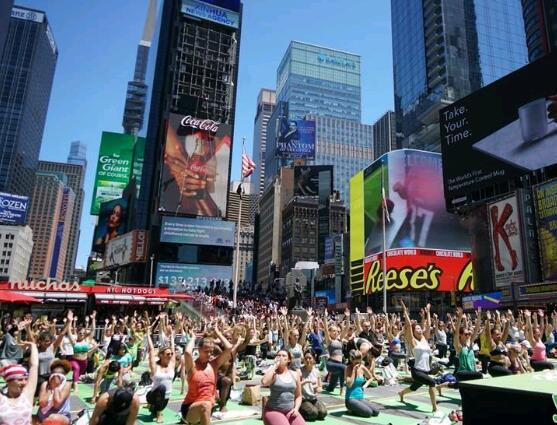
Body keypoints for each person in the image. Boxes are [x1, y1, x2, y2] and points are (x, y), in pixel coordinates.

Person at [181, 322, 233, 425]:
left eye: (211, 351)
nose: (209, 354)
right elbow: (187, 352)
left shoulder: (214, 365)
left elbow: (229, 348)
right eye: (206, 351)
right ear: (199, 350)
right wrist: (193, 337)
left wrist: (218, 333)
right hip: (191, 408)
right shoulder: (192, 366)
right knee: (205, 405)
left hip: (208, 407)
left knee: (207, 405)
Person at [398, 301, 440, 412]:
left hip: (425, 371)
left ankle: (401, 393)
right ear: (413, 331)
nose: (420, 329)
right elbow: (408, 325)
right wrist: (405, 311)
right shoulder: (413, 341)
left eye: (420, 328)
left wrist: (428, 312)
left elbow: (428, 325)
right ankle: (434, 407)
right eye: (417, 328)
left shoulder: (424, 339)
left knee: (414, 387)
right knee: (432, 382)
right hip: (417, 371)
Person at [261, 350, 305, 425]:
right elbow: (264, 382)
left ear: (289, 360)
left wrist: (296, 408)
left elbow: (298, 396)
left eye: (283, 356)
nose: (280, 357)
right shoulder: (273, 373)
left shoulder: (295, 374)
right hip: (273, 410)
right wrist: (275, 366)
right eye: (278, 355)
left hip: (290, 410)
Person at [0, 342, 37, 425]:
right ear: (9, 381)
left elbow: (34, 366)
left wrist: (33, 346)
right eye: (20, 379)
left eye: (25, 379)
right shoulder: (1, 399)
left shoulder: (27, 395)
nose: (24, 383)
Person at [146, 326, 175, 423]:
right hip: (152, 396)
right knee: (162, 388)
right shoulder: (155, 367)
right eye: (168, 354)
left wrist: (171, 336)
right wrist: (148, 334)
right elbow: (151, 350)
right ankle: (159, 414)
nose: (170, 355)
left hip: (165, 397)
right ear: (161, 355)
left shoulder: (172, 364)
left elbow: (173, 348)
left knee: (154, 411)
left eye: (171, 354)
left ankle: (153, 409)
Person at [344, 350, 379, 418]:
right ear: (351, 360)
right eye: (356, 362)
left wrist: (365, 386)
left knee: (376, 412)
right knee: (368, 413)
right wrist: (354, 371)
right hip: (350, 399)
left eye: (359, 361)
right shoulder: (348, 368)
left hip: (360, 397)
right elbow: (349, 385)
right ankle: (351, 410)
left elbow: (371, 377)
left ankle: (357, 409)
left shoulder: (362, 367)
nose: (358, 364)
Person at [323, 310, 347, 396]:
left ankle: (327, 386)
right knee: (344, 368)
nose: (335, 332)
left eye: (336, 331)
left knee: (331, 388)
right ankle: (342, 389)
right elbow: (325, 329)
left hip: (338, 365)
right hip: (331, 364)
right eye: (333, 331)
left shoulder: (339, 340)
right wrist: (325, 317)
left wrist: (347, 317)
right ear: (330, 332)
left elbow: (346, 328)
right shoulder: (329, 341)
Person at [298, 351, 327, 421]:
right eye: (306, 358)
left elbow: (320, 386)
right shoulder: (300, 371)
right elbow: (296, 386)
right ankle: (300, 410)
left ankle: (311, 409)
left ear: (314, 359)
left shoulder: (317, 371)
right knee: (313, 413)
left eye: (310, 358)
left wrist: (319, 389)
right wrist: (306, 381)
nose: (308, 360)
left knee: (323, 413)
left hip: (314, 399)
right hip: (303, 399)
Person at [485, 311, 512, 377]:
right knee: (509, 373)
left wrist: (508, 321)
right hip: (494, 367)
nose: (499, 336)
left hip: (503, 366)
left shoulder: (501, 342)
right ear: (492, 336)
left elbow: (506, 332)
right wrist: (488, 320)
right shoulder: (492, 344)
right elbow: (488, 333)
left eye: (499, 334)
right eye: (497, 334)